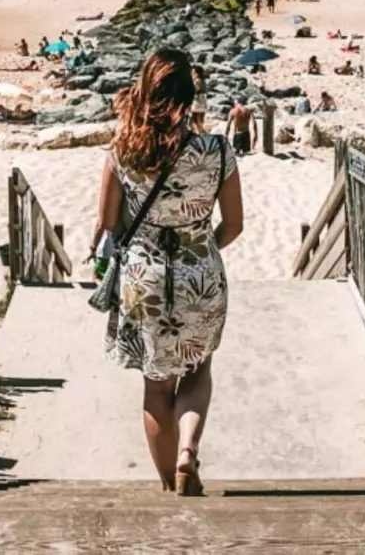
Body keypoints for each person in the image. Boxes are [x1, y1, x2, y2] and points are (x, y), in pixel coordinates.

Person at [88, 49, 242, 496]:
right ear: (191, 96)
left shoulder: (123, 150)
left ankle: (170, 488)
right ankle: (188, 452)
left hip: (144, 279)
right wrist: (200, 244)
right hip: (201, 272)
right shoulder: (216, 150)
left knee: (157, 388)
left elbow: (108, 223)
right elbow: (234, 225)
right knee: (198, 368)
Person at [191, 66, 209, 130]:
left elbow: (194, 90)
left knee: (194, 120)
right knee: (200, 120)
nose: (192, 74)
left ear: (197, 73)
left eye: (193, 73)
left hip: (198, 102)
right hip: (203, 101)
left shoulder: (197, 81)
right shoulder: (203, 80)